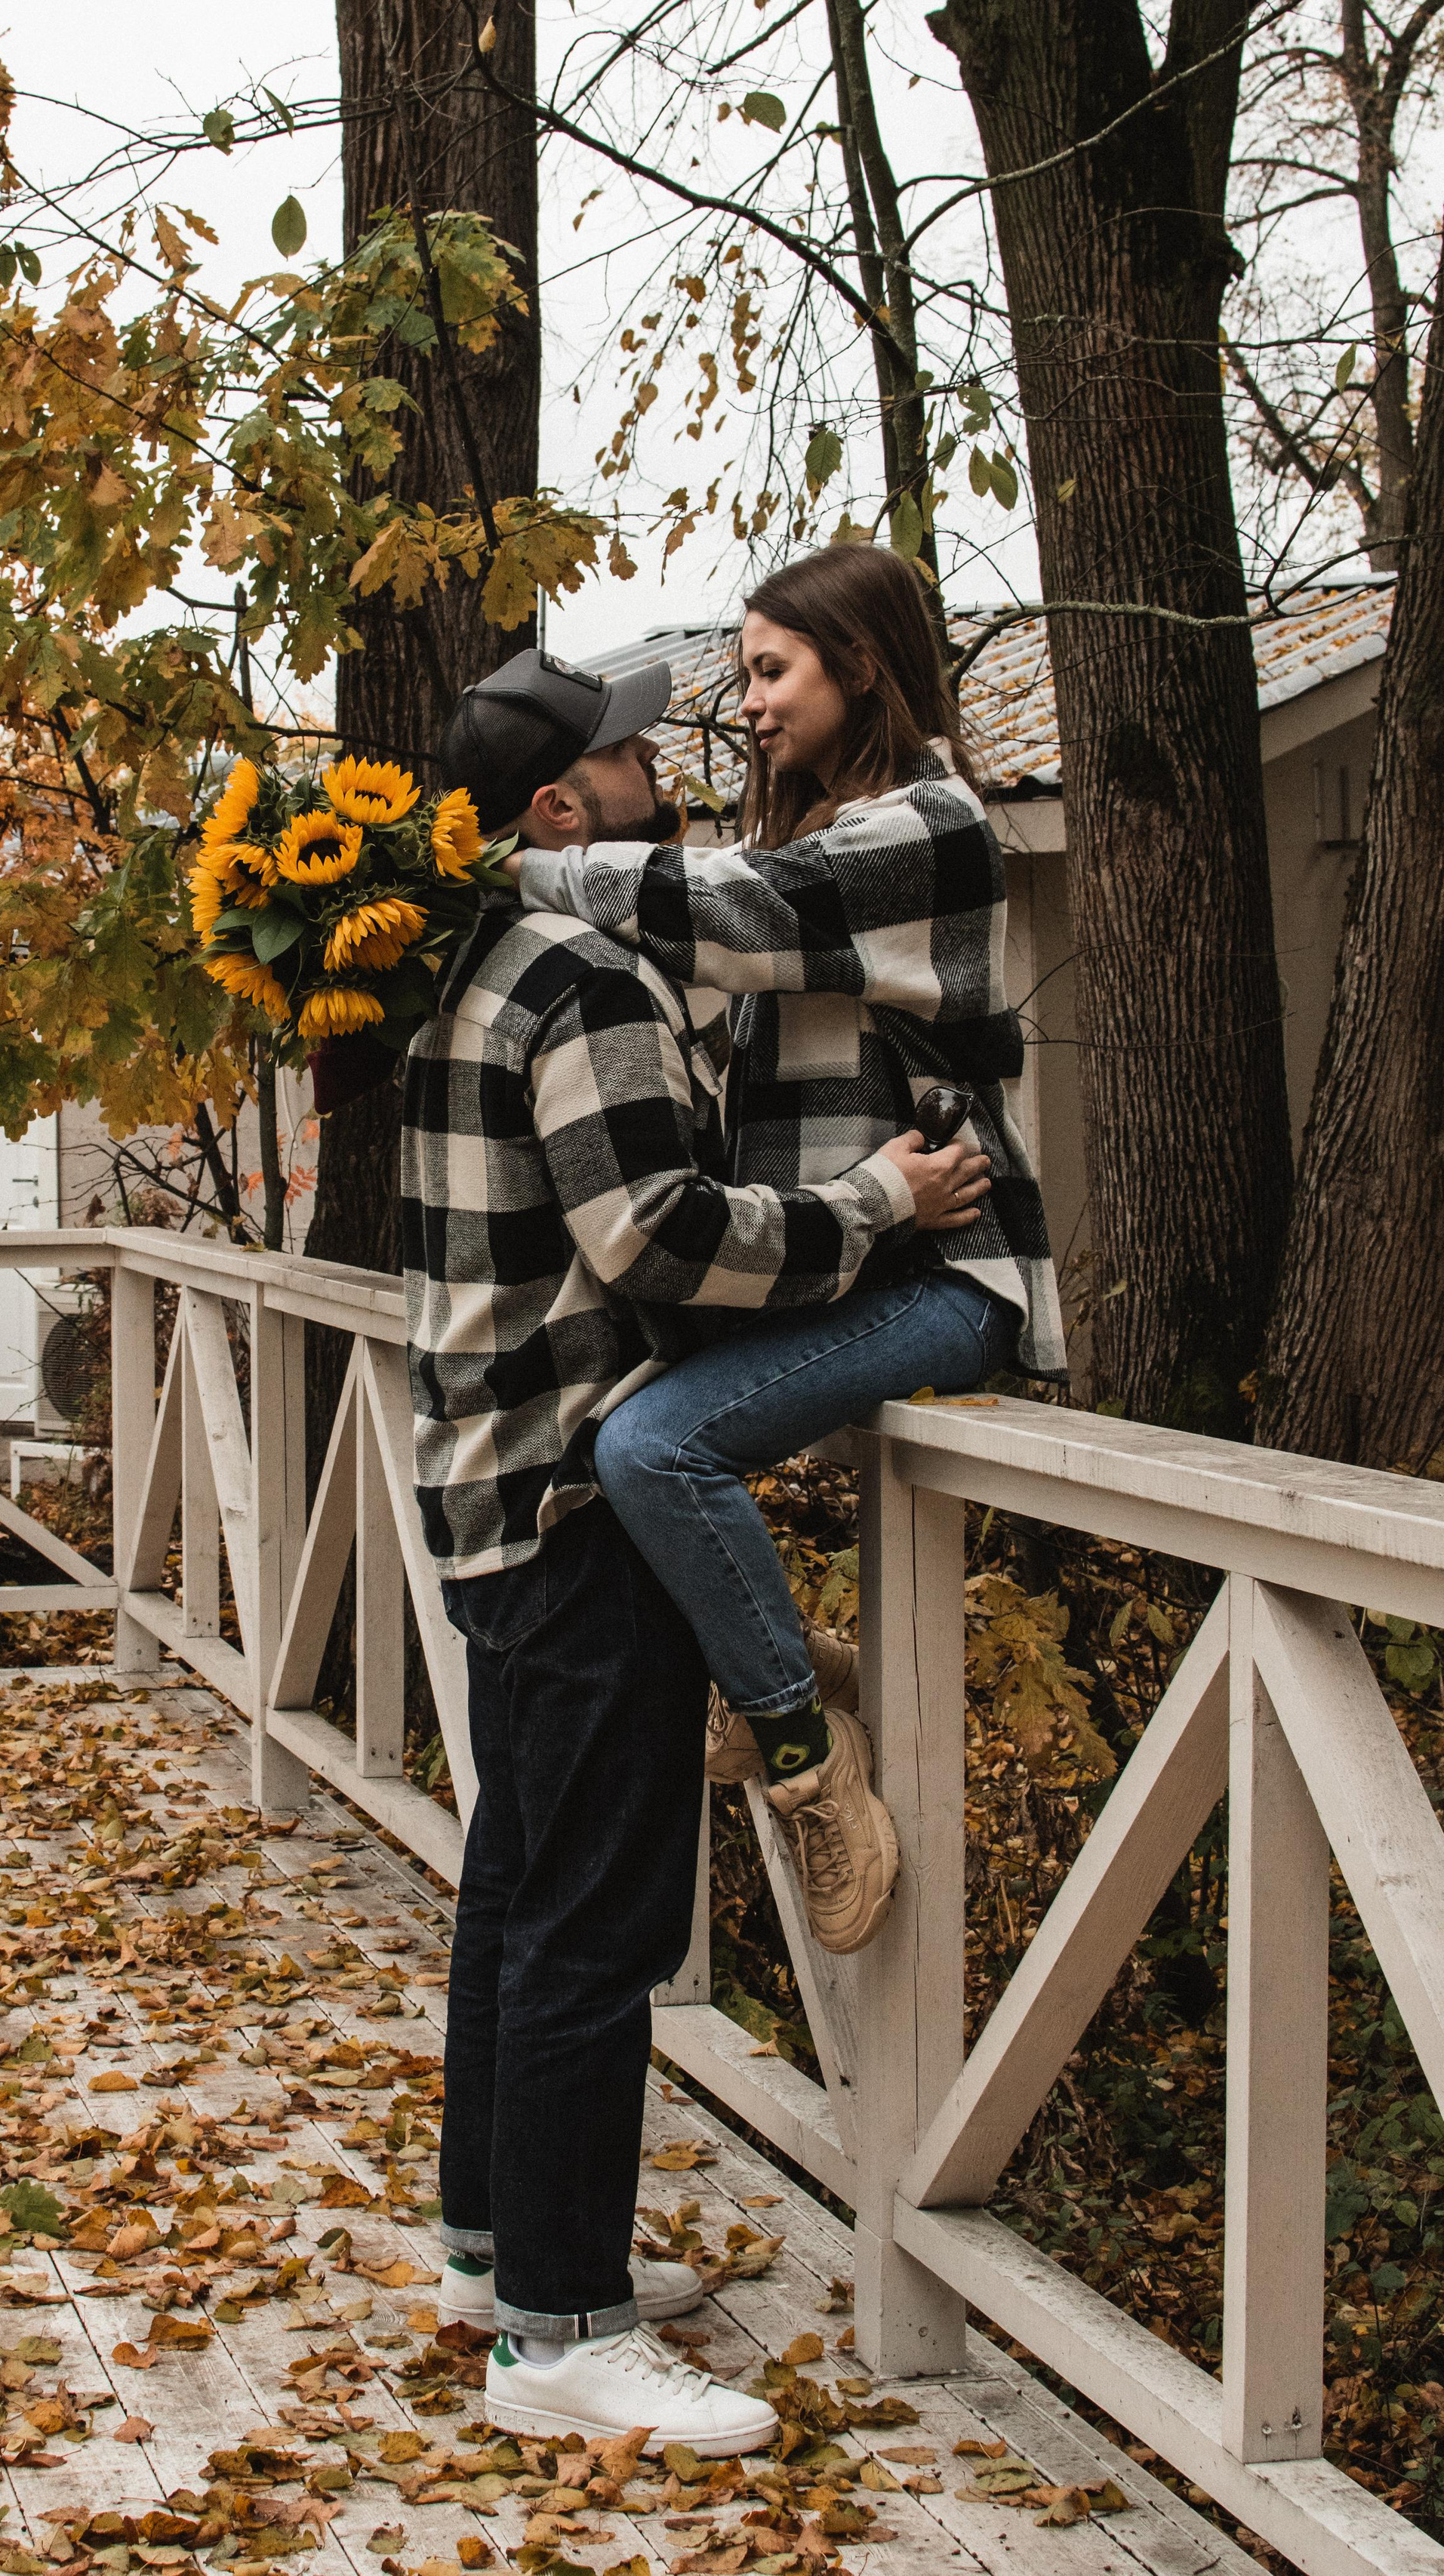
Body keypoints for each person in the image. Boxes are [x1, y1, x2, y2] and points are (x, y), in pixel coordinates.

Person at [405, 644, 988, 2451]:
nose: (661, 756)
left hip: (487, 1480)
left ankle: (497, 2245)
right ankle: (560, 2335)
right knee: (592, 1919)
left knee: (516, 1878)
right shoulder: (579, 970)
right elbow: (652, 1238)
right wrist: (875, 1202)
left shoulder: (473, 954)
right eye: (625, 751)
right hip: (574, 1492)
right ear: (559, 807)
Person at [508, 547, 1067, 1957]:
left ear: (861, 665)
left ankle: (811, 1762)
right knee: (603, 1436)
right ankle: (780, 1666)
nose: (748, 703)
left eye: (774, 671)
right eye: (746, 672)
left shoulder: (930, 830)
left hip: (945, 1278)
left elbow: (735, 911)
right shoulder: (807, 846)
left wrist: (515, 869)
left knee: (652, 1454)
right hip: (836, 1275)